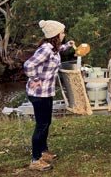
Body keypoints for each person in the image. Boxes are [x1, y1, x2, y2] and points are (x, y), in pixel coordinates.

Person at [23, 20, 74, 171]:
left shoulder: (53, 48)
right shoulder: (45, 49)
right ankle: (35, 159)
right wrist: (35, 79)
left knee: (46, 123)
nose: (64, 34)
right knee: (41, 125)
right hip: (39, 94)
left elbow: (57, 52)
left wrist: (68, 45)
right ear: (56, 35)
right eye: (62, 32)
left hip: (46, 92)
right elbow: (28, 65)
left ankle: (44, 152)